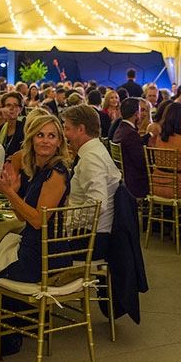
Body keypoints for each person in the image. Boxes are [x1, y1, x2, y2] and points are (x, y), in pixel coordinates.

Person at [0, 113, 71, 358]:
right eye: (40, 135)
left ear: (59, 142)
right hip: (35, 247)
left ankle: (5, 341)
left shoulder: (57, 173)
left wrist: (9, 193)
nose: (45, 141)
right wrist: (16, 192)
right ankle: (10, 332)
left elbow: (37, 220)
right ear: (31, 140)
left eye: (51, 136)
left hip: (46, 256)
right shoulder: (39, 169)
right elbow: (22, 217)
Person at [61, 105, 120, 259]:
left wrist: (67, 220)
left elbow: (98, 203)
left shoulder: (91, 158)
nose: (64, 134)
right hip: (91, 235)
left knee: (28, 247)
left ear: (81, 129)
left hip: (88, 240)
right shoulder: (96, 150)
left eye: (67, 129)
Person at [112, 98, 149, 198]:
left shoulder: (120, 129)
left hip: (124, 179)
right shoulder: (131, 134)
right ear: (137, 114)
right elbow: (142, 163)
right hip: (136, 183)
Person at [0, 91, 26, 157]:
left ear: (20, 109)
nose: (11, 108)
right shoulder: (2, 127)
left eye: (15, 105)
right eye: (8, 105)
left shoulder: (24, 126)